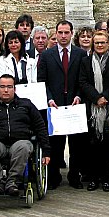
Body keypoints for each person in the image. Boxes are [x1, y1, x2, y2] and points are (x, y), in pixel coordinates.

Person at [0, 74, 51, 197]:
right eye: (2, 87)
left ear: (15, 88)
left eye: (9, 86)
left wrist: (46, 151)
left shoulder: (26, 105)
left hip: (20, 141)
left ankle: (12, 181)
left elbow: (40, 127)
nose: (6, 90)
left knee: (23, 147)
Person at [38, 20, 88, 189]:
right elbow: (42, 81)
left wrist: (79, 96)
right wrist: (49, 98)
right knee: (55, 144)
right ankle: (53, 177)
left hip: (75, 104)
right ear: (56, 33)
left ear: (72, 33)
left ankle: (75, 176)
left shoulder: (81, 54)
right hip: (55, 105)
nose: (64, 36)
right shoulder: (46, 55)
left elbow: (84, 80)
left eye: (67, 32)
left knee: (76, 145)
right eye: (60, 32)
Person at [78, 30, 109, 192]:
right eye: (97, 42)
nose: (100, 45)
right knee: (92, 145)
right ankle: (93, 178)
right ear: (93, 44)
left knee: (108, 145)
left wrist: (105, 98)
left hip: (108, 109)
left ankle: (106, 178)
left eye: (103, 42)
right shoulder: (85, 61)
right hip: (91, 108)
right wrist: (96, 98)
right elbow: (83, 82)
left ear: (108, 44)